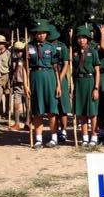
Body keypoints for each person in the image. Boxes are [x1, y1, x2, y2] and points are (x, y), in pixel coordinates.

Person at [27, 20, 61, 148]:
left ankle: (54, 138)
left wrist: (58, 84)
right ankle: (38, 139)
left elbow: (56, 67)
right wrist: (26, 85)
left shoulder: (51, 47)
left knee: (52, 110)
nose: (41, 35)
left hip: (49, 76)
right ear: (35, 34)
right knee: (37, 110)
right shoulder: (28, 47)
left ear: (47, 34)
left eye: (43, 33)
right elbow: (25, 67)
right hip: (35, 77)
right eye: (38, 33)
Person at [71, 26, 100, 147]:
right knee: (81, 111)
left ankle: (94, 136)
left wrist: (96, 88)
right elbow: (73, 71)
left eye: (83, 38)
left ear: (88, 39)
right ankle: (85, 137)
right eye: (79, 38)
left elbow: (97, 71)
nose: (81, 40)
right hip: (79, 82)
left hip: (90, 81)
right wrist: (72, 87)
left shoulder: (93, 52)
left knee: (92, 112)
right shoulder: (74, 52)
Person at [49, 25, 71, 144]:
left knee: (63, 107)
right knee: (53, 108)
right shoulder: (46, 46)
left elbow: (66, 64)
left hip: (61, 77)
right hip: (49, 78)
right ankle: (54, 132)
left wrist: (60, 79)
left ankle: (63, 131)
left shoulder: (62, 46)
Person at [0, 35, 12, 126]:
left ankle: (8, 113)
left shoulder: (8, 53)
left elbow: (10, 65)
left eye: (0, 43)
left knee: (8, 94)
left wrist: (11, 77)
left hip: (6, 75)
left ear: (4, 44)